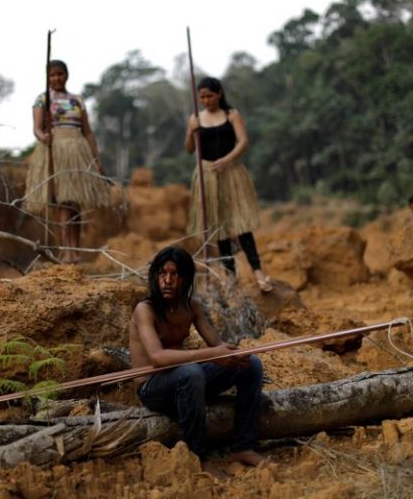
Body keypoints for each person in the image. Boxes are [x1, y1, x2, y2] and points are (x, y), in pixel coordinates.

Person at [129, 246, 265, 478]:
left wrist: (234, 357)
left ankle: (243, 446)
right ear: (155, 277)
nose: (167, 280)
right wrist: (211, 355)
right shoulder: (145, 309)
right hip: (152, 388)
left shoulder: (191, 307)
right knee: (191, 372)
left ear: (185, 279)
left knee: (252, 365)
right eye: (162, 274)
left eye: (174, 274)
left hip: (184, 381)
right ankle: (198, 456)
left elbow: (217, 345)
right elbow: (157, 358)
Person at [184, 77, 272, 293]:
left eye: (209, 96)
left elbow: (243, 141)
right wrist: (191, 131)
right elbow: (189, 149)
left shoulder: (231, 114)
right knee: (220, 228)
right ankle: (231, 276)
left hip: (231, 173)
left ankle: (258, 272)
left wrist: (227, 160)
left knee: (241, 225)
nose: (206, 100)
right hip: (207, 175)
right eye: (202, 97)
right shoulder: (195, 118)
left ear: (219, 94)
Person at [25, 60, 110, 263]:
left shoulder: (77, 100)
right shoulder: (42, 99)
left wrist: (95, 159)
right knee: (63, 202)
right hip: (55, 151)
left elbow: (87, 132)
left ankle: (75, 249)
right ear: (47, 77)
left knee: (74, 203)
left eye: (60, 74)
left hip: (76, 152)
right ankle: (66, 250)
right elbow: (37, 128)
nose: (57, 78)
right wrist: (42, 136)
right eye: (52, 75)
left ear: (67, 75)